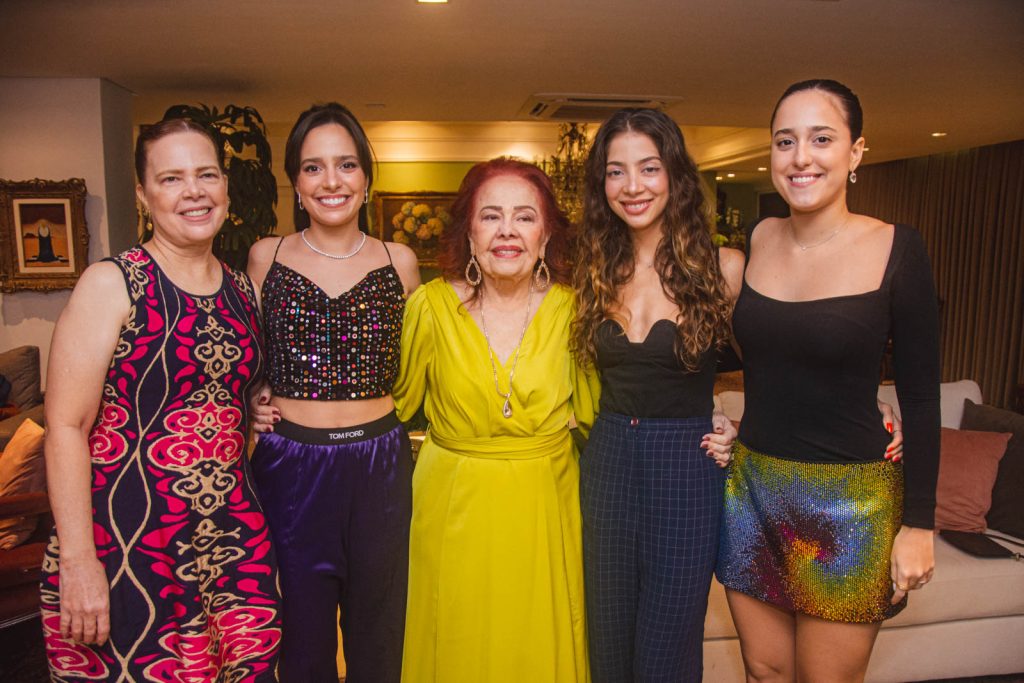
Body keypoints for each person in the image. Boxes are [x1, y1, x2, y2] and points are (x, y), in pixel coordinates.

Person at [40, 118, 282, 681]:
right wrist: (79, 561)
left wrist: (252, 405)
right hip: (128, 540)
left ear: (225, 187)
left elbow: (210, 387)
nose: (193, 191)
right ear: (144, 195)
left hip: (229, 534)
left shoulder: (240, 287)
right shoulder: (112, 283)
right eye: (171, 178)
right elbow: (65, 427)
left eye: (207, 174)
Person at [716, 79, 940, 682]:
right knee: (764, 673)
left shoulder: (898, 248)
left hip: (851, 503)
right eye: (785, 141)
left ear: (856, 152)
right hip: (752, 490)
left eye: (821, 138)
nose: (801, 157)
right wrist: (717, 418)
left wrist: (920, 522)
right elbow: (749, 360)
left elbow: (920, 393)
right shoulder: (759, 239)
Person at [394, 158, 600, 683]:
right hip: (451, 509)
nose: (507, 231)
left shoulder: (573, 311)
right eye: (491, 216)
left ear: (547, 232)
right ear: (469, 231)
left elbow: (606, 414)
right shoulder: (431, 308)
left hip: (545, 507)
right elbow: (390, 410)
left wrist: (704, 416)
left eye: (525, 217)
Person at [246, 102, 420, 682]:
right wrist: (249, 401)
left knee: (379, 628)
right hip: (291, 465)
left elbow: (428, 362)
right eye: (314, 167)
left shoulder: (400, 262)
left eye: (346, 164)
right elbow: (242, 357)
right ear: (295, 182)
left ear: (367, 178)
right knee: (301, 636)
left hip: (380, 463)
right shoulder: (265, 256)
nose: (331, 181)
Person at [571, 108, 742, 682]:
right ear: (602, 185)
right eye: (616, 172)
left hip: (687, 467)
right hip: (608, 461)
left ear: (675, 174)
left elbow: (786, 360)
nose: (633, 186)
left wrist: (739, 423)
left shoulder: (725, 269)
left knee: (668, 643)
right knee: (607, 637)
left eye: (648, 167)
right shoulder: (590, 268)